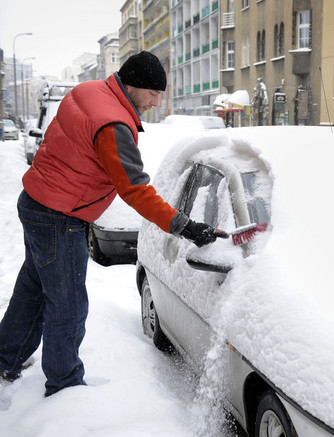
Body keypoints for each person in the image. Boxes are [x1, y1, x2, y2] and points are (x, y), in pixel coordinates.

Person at [0, 51, 227, 396]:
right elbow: (134, 189)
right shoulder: (113, 123)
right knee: (68, 303)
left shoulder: (89, 92)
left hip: (37, 202)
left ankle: (5, 359)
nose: (154, 103)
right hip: (60, 216)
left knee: (33, 291)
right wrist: (185, 226)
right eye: (152, 94)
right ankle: (64, 385)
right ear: (133, 85)